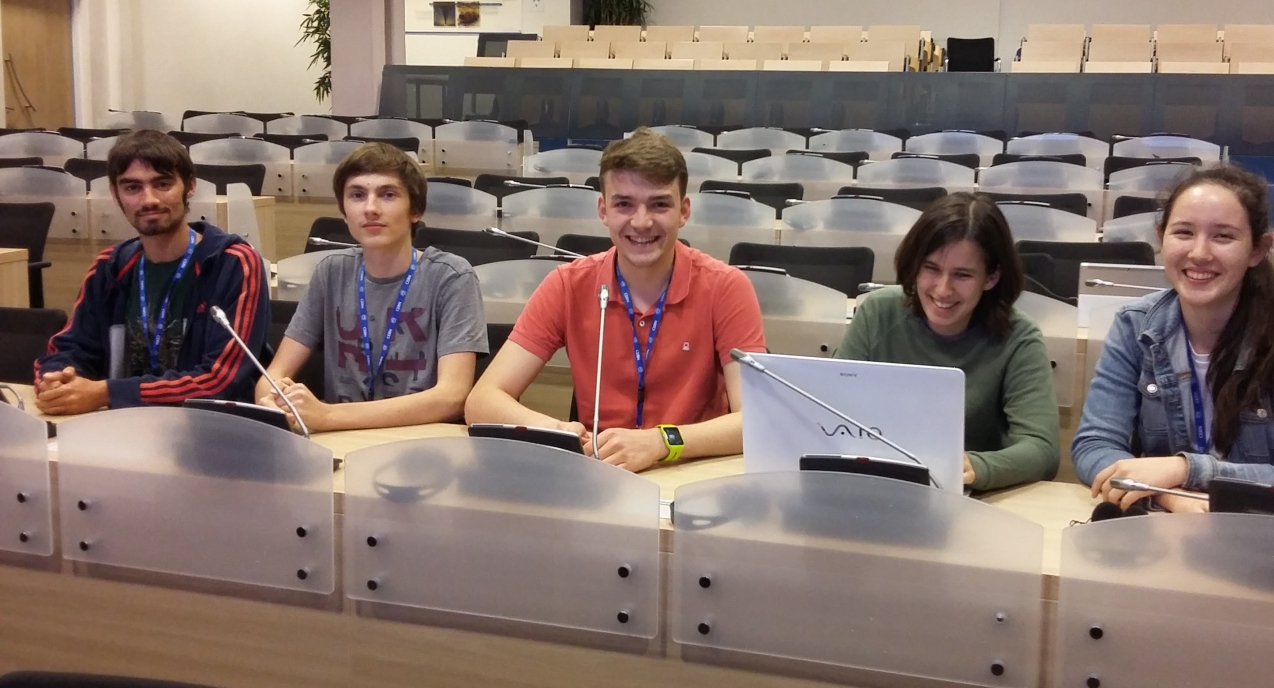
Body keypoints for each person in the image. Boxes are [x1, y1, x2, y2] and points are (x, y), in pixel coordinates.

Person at [465, 128, 767, 472]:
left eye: (659, 204)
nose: (641, 222)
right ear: (603, 210)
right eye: (624, 204)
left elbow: (755, 422)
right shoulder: (568, 285)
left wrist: (661, 442)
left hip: (690, 472)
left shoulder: (726, 287)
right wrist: (557, 431)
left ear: (684, 211)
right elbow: (482, 401)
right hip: (598, 475)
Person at [1071, 165, 1274, 510]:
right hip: (1163, 533)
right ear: (1161, 238)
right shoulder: (1134, 325)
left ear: (1258, 250)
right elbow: (1093, 445)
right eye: (1184, 232)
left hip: (1260, 538)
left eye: (1223, 236)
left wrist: (1185, 469)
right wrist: (1166, 495)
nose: (1199, 253)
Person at [835, 193, 1060, 491]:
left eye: (962, 275)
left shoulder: (1019, 336)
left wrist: (978, 467)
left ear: (991, 277)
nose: (943, 289)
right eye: (931, 269)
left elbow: (1042, 450)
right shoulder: (877, 312)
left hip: (969, 501)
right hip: (873, 487)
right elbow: (830, 409)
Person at [34, 130, 270, 414]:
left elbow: (221, 381)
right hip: (123, 430)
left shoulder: (233, 264)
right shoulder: (110, 266)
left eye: (163, 184)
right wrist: (55, 379)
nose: (149, 200)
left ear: (190, 186)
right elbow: (68, 348)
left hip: (212, 431)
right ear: (115, 193)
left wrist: (106, 393)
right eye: (132, 188)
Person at [258, 142, 487, 432]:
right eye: (357, 195)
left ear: (415, 210)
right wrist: (271, 401)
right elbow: (274, 373)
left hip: (422, 445)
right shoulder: (331, 272)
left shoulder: (451, 277)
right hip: (340, 441)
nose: (370, 208)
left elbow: (452, 397)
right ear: (343, 212)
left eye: (387, 195)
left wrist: (327, 416)